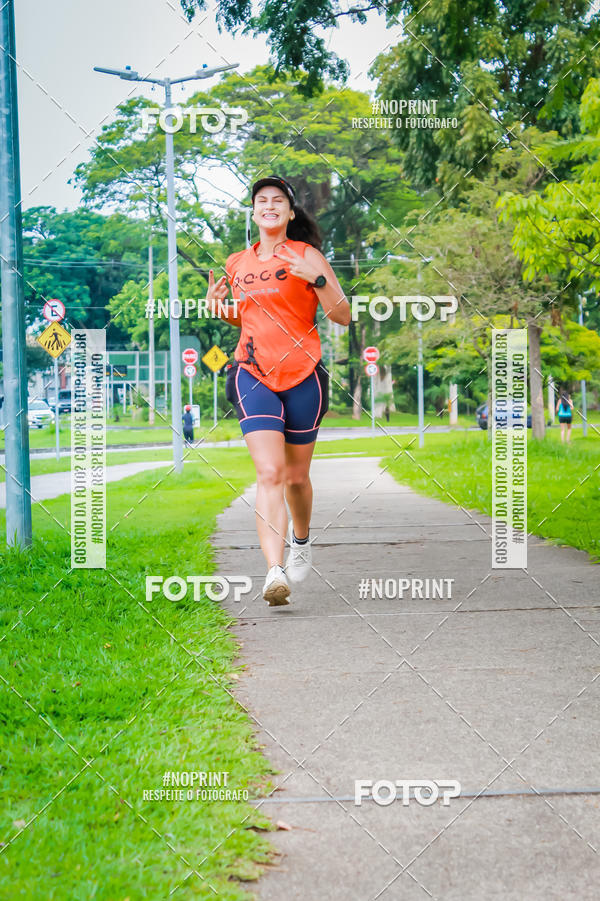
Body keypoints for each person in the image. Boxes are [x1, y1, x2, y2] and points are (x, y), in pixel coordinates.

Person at [206, 175, 351, 606]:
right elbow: (252, 317)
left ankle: (301, 540)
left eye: (278, 200)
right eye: (261, 200)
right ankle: (274, 571)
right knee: (268, 473)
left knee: (296, 478)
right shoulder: (237, 263)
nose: (269, 205)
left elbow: (342, 316)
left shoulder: (308, 256)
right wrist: (223, 312)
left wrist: (319, 280)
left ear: (290, 213)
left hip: (303, 376)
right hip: (253, 373)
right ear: (253, 212)